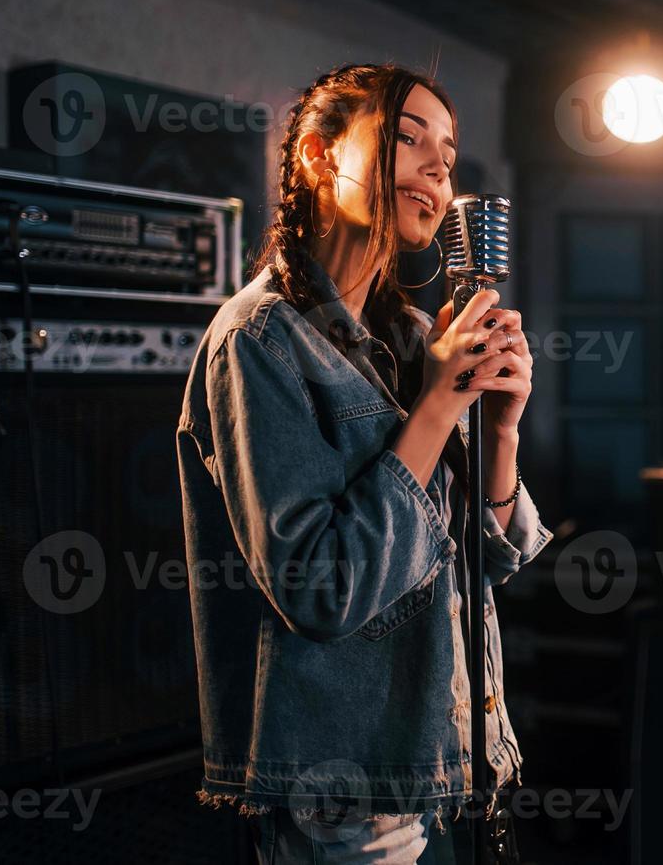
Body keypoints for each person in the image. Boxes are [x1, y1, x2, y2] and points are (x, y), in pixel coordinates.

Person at [176, 63, 549, 863]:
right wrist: (439, 405)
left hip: (444, 758)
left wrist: (502, 431)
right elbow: (321, 587)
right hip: (343, 790)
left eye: (448, 152)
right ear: (317, 154)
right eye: (407, 137)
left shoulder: (413, 340)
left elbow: (481, 561)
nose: (438, 166)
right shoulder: (258, 341)